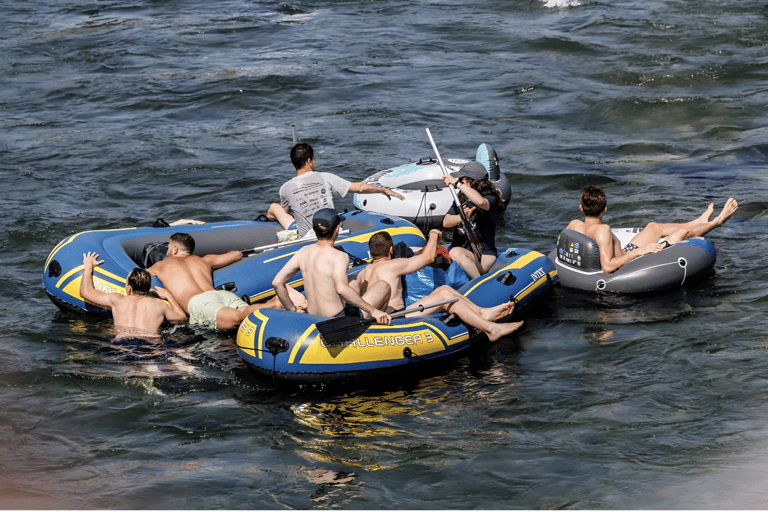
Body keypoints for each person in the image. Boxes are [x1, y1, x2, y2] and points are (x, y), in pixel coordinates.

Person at [352, 230, 523, 342]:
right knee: (444, 296)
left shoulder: (363, 272)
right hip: (397, 319)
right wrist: (433, 235)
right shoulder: (393, 264)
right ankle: (491, 329)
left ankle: (482, 312)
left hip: (383, 317)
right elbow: (428, 258)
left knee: (444, 290)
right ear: (391, 250)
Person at [148, 233, 306, 330]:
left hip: (200, 302)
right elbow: (236, 254)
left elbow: (138, 276)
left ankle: (274, 302)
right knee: (251, 319)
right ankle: (280, 304)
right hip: (220, 295)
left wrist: (165, 293)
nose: (166, 251)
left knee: (238, 319)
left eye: (168, 247)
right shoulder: (205, 260)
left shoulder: (161, 265)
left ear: (175, 249)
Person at [566, 185, 739, 274]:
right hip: (631, 263)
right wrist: (641, 251)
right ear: (605, 209)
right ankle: (717, 222)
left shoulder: (574, 225)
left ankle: (699, 221)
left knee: (653, 227)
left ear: (581, 208)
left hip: (625, 253)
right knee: (681, 235)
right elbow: (608, 268)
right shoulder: (602, 230)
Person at [272, 208, 392, 324]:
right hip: (337, 321)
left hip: (312, 318)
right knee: (383, 286)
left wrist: (292, 310)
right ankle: (377, 327)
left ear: (314, 230)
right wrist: (373, 310)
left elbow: (277, 282)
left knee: (354, 279)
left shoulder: (303, 252)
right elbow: (342, 289)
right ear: (337, 228)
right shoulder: (339, 256)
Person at [266, 143, 405, 238]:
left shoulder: (285, 189)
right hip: (328, 233)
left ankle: (268, 223)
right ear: (309, 161)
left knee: (274, 208)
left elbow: (286, 212)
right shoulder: (325, 177)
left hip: (303, 237)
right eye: (313, 159)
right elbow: (360, 188)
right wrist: (383, 190)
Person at [80, 252, 187, 338]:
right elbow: (182, 318)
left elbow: (86, 292)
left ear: (129, 288)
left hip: (123, 346)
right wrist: (169, 296)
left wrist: (88, 266)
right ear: (149, 288)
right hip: (150, 347)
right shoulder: (159, 304)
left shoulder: (116, 300)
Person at [441, 161, 505, 279]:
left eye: (462, 179)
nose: (459, 181)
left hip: (482, 255)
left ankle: (478, 283)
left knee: (455, 252)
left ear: (471, 181)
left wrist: (456, 183)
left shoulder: (490, 199)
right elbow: (446, 222)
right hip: (461, 251)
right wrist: (462, 218)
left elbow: (481, 202)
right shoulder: (460, 199)